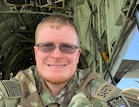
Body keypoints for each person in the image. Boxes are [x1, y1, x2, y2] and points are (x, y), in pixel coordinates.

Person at [0, 14, 130, 107]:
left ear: (78, 54)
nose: (56, 55)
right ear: (36, 52)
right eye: (47, 46)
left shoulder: (99, 93)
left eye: (67, 47)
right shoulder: (12, 93)